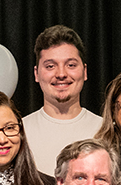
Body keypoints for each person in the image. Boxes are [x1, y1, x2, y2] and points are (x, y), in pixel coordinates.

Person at [22, 25, 103, 175]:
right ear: (36, 74)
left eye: (71, 65)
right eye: (50, 66)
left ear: (84, 72)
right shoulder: (19, 132)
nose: (61, 74)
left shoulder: (106, 130)